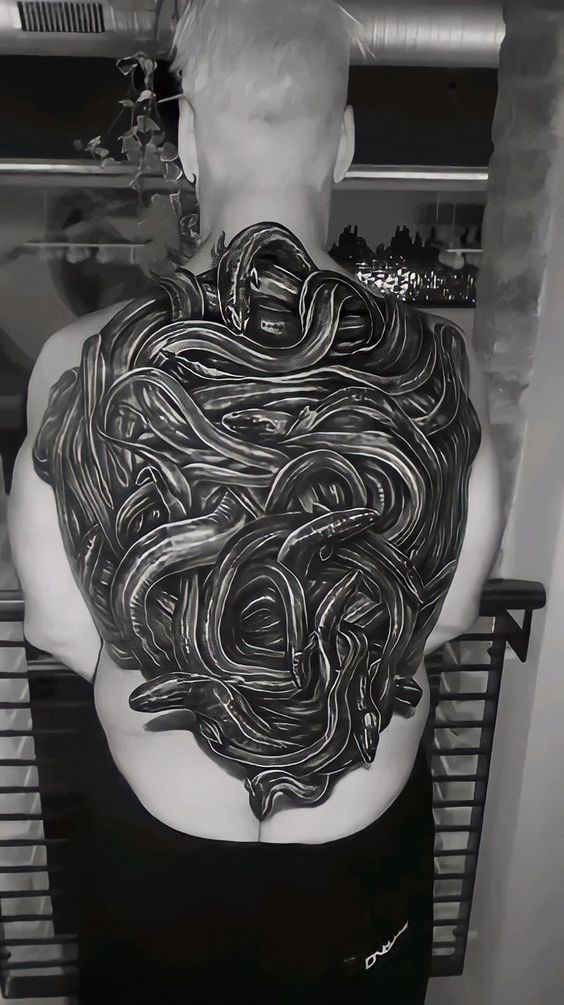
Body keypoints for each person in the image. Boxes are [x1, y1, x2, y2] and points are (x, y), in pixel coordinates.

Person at [7, 1, 503, 1001]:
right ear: (345, 143)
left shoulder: (79, 364)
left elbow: (59, 626)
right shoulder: (443, 369)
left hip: (153, 858)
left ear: (189, 139)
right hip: (358, 857)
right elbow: (447, 613)